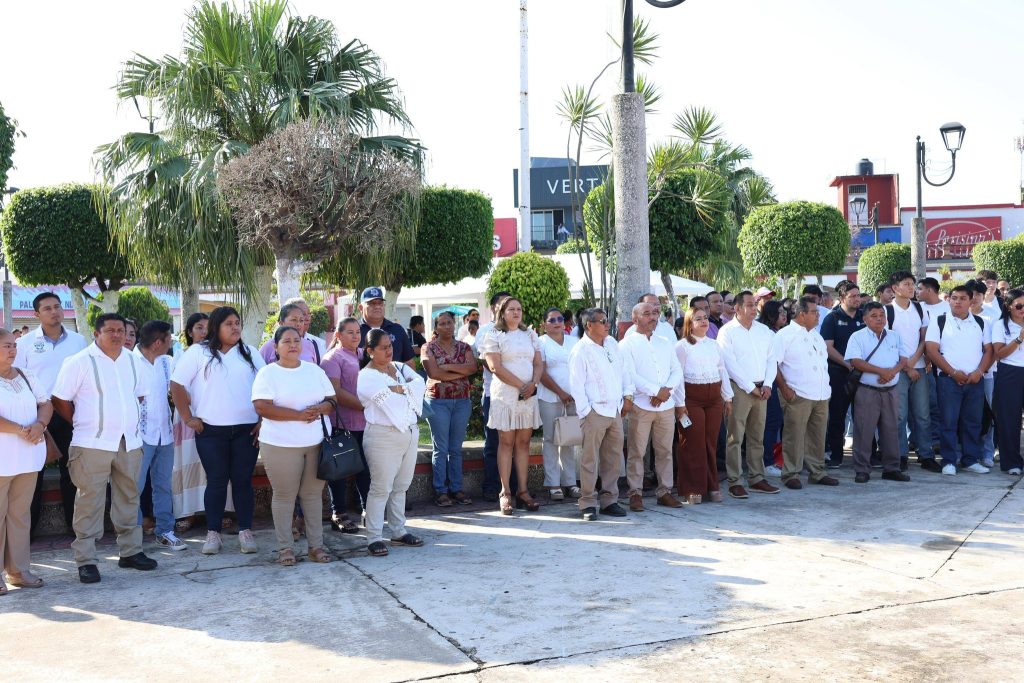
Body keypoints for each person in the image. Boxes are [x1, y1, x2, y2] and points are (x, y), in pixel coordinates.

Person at [52, 313, 157, 583]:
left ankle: (131, 552)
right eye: (110, 330)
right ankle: (86, 560)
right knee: (90, 501)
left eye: (121, 330)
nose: (117, 335)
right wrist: (82, 421)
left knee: (129, 497)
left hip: (129, 442)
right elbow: (59, 399)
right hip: (91, 443)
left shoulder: (134, 361)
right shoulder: (79, 362)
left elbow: (139, 395)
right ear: (96, 333)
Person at [170, 306, 265, 555]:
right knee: (216, 481)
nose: (235, 327)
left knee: (242, 481)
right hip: (210, 431)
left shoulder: (250, 353)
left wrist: (262, 420)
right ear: (216, 327)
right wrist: (188, 418)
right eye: (229, 324)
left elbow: (266, 387)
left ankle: (245, 531)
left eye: (237, 323)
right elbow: (176, 385)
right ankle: (213, 533)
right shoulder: (198, 352)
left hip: (246, 430)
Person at [251, 326, 336, 566]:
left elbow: (332, 400)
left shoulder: (314, 371)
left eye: (296, 340)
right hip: (280, 443)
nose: (292, 345)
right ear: (276, 347)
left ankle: (316, 547)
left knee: (312, 495)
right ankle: (285, 548)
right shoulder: (268, 373)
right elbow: (262, 407)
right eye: (286, 341)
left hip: (316, 443)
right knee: (285, 496)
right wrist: (298, 416)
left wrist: (320, 409)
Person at [19, 292, 88, 538]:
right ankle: (27, 531)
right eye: (47, 308)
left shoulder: (78, 341)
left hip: (70, 412)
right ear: (36, 314)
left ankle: (74, 525)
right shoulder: (25, 343)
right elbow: (18, 377)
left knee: (71, 470)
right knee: (33, 472)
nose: (54, 312)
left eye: (57, 306)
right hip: (37, 414)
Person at [357, 329, 426, 557]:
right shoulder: (366, 376)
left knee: (401, 486)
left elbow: (420, 383)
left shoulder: (399, 367)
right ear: (370, 351)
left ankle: (398, 530)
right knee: (380, 488)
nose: (389, 351)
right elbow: (392, 400)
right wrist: (407, 390)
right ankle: (374, 537)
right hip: (382, 435)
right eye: (383, 347)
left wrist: (400, 389)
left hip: (409, 432)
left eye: (390, 346)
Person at [480, 297, 543, 515]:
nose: (516, 312)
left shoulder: (530, 334)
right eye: (511, 309)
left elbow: (538, 362)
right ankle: (505, 492)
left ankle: (523, 491)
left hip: (528, 395)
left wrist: (533, 384)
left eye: (519, 309)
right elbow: (494, 366)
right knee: (506, 443)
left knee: (524, 443)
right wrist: (521, 386)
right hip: (506, 395)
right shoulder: (493, 335)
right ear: (502, 312)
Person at [568, 308, 633, 520]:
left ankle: (609, 501)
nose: (607, 324)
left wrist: (627, 396)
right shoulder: (580, 350)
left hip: (614, 409)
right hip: (594, 411)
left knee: (613, 458)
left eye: (607, 320)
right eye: (603, 321)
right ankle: (587, 502)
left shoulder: (612, 343)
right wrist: (586, 411)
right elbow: (576, 385)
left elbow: (624, 371)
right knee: (590, 459)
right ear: (589, 325)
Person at [0, 328, 51, 593]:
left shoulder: (26, 375)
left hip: (28, 458)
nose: (12, 350)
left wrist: (40, 425)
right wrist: (22, 430)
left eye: (13, 345)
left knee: (20, 516)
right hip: (2, 459)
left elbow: (46, 403)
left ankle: (18, 571)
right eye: (6, 346)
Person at [620, 302, 684, 510]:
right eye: (646, 313)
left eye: (655, 313)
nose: (653, 317)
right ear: (635, 318)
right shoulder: (626, 344)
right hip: (641, 405)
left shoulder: (665, 342)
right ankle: (635, 493)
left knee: (665, 451)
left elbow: (677, 371)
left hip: (666, 405)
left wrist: (666, 392)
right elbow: (630, 375)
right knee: (637, 451)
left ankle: (665, 491)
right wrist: (656, 391)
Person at [717, 290, 780, 498]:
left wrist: (768, 384)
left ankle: (756, 478)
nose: (754, 308)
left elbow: (771, 359)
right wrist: (751, 387)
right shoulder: (727, 332)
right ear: (737, 308)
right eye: (749, 305)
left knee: (757, 436)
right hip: (739, 388)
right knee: (735, 437)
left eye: (754, 304)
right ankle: (735, 481)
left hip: (762, 389)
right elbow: (730, 364)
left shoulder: (764, 331)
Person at [924, 286, 993, 476]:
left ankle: (970, 459)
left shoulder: (980, 322)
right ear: (949, 300)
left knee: (973, 422)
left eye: (963, 298)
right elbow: (931, 350)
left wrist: (979, 372)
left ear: (971, 301)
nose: (957, 302)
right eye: (954, 298)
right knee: (948, 422)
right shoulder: (939, 321)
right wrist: (953, 372)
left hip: (975, 381)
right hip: (948, 380)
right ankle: (949, 461)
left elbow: (989, 350)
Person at [772, 297, 839, 489]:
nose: (818, 315)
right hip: (797, 394)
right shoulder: (785, 335)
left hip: (821, 394)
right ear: (802, 314)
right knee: (794, 436)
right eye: (814, 312)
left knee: (817, 436)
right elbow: (773, 364)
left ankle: (817, 472)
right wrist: (784, 389)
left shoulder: (816, 336)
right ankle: (790, 474)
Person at [133, 321, 186, 551]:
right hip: (138, 436)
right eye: (168, 339)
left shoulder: (167, 362)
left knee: (163, 485)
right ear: (157, 342)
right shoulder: (129, 362)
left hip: (164, 433)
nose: (170, 343)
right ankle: (132, 537)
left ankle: (165, 531)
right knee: (133, 488)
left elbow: (180, 388)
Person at [672, 309, 732, 504]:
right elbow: (678, 376)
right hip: (691, 399)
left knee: (710, 443)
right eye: (698, 319)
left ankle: (712, 486)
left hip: (714, 399)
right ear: (690, 323)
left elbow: (722, 371)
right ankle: (692, 489)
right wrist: (680, 404)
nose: (704, 321)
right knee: (692, 443)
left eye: (705, 318)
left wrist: (727, 397)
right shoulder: (682, 346)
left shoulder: (714, 345)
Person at [845, 302, 908, 484]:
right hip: (867, 391)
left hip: (891, 390)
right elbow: (855, 361)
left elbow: (904, 359)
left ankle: (892, 468)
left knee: (891, 430)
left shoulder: (894, 336)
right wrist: (881, 372)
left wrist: (891, 372)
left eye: (882, 315)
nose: (879, 319)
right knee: (864, 431)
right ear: (865, 319)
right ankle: (862, 469)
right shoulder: (857, 337)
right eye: (874, 316)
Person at [320, 317, 370, 533]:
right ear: (338, 335)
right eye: (350, 332)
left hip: (367, 423)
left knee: (366, 470)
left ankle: (370, 511)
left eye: (358, 331)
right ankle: (338, 513)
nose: (356, 336)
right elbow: (335, 392)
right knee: (340, 471)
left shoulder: (364, 355)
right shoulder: (332, 358)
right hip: (342, 424)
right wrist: (365, 406)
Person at [421, 311, 476, 507]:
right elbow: (434, 373)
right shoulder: (428, 347)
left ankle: (456, 488)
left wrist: (447, 367)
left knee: (456, 448)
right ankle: (441, 491)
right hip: (438, 401)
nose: (446, 326)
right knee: (441, 448)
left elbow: (472, 368)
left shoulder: (464, 346)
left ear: (455, 324)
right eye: (442, 323)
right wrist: (459, 371)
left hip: (462, 401)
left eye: (449, 322)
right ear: (436, 327)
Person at [885, 271, 931, 472]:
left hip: (919, 368)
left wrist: (913, 363)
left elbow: (924, 338)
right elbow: (887, 342)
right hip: (897, 370)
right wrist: (906, 366)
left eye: (912, 283)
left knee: (923, 415)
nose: (911, 287)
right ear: (895, 288)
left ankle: (926, 454)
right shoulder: (887, 311)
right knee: (899, 415)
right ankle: (900, 455)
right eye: (906, 284)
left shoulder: (920, 309)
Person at [170, 312, 209, 533]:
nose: (204, 332)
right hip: (187, 414)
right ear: (190, 332)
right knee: (187, 460)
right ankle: (187, 512)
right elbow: (177, 385)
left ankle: (219, 510)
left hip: (212, 415)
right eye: (199, 328)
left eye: (208, 328)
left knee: (212, 462)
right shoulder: (181, 355)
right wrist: (192, 408)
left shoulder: (219, 354)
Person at [536, 308, 580, 500]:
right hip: (550, 397)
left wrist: (577, 393)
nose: (557, 323)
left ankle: (570, 482)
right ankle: (553, 483)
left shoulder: (574, 341)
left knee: (570, 439)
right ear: (544, 325)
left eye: (560, 319)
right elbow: (541, 372)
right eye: (552, 320)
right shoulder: (540, 342)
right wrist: (560, 393)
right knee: (550, 439)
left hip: (574, 398)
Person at [821, 281, 866, 469]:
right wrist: (847, 364)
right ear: (841, 298)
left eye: (858, 295)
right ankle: (836, 455)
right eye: (852, 296)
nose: (857, 299)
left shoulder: (864, 316)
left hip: (864, 373)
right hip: (839, 373)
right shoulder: (832, 318)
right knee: (838, 415)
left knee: (864, 415)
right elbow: (827, 346)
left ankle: (868, 455)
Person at [991, 288, 1024, 476]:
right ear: (1008, 306)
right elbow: (999, 354)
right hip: (1010, 372)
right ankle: (1012, 462)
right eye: (1019, 306)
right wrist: (1019, 338)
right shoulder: (1000, 325)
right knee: (1009, 419)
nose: (1022, 310)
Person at [917, 276, 949, 456]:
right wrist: (926, 358)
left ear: (929, 290)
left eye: (920, 288)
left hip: (944, 363)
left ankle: (937, 440)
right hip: (922, 362)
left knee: (938, 404)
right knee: (925, 405)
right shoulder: (917, 308)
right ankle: (917, 440)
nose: (916, 292)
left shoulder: (948, 308)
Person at [756, 300, 788, 478]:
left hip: (773, 382)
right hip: (769, 382)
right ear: (770, 315)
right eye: (780, 312)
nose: (784, 315)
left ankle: (772, 459)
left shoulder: (777, 332)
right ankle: (766, 462)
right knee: (771, 422)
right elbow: (772, 362)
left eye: (784, 311)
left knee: (774, 422)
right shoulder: (767, 333)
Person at [358, 287, 414, 366]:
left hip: (394, 374)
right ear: (361, 308)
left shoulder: (397, 329)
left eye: (380, 303)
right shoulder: (354, 331)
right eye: (372, 303)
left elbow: (409, 362)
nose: (377, 306)